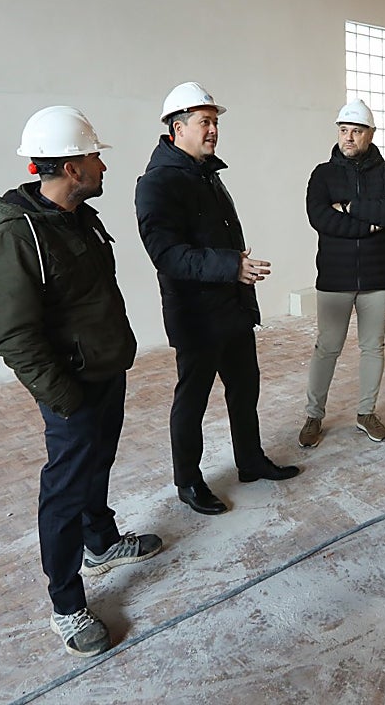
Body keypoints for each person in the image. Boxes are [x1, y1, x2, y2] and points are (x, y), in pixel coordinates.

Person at [0, 106, 162, 658]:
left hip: (106, 370)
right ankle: (66, 604)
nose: (102, 162)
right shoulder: (16, 237)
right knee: (63, 490)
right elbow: (13, 335)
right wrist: (63, 398)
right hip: (71, 388)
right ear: (71, 168)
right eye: (93, 155)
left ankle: (101, 542)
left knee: (97, 461)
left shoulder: (79, 215)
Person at [136, 82, 299, 517]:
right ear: (177, 128)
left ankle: (250, 461)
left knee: (245, 389)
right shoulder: (157, 184)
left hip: (231, 308)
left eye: (215, 123)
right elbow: (166, 254)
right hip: (196, 317)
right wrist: (231, 266)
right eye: (205, 122)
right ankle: (188, 481)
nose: (213, 131)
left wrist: (235, 271)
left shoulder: (205, 173)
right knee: (192, 400)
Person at [300, 99, 385, 448]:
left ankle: (366, 413)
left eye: (357, 131)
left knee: (372, 346)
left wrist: (348, 209)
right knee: (327, 347)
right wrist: (370, 224)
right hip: (335, 277)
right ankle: (314, 416)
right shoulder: (322, 174)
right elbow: (320, 218)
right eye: (344, 130)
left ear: (371, 134)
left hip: (377, 278)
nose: (349, 138)